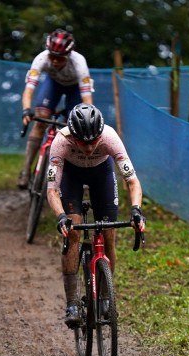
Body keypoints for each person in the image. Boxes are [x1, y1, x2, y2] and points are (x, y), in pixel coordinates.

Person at [46, 104, 145, 327]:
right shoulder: (61, 141)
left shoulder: (110, 137)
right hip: (71, 175)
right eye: (83, 141)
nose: (89, 147)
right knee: (73, 231)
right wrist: (61, 215)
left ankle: (104, 297)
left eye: (94, 140)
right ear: (73, 135)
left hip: (102, 174)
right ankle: (72, 302)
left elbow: (132, 180)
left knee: (109, 234)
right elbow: (52, 190)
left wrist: (136, 209)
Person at [17, 28, 93, 189]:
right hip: (53, 85)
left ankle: (76, 172)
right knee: (40, 120)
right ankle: (26, 171)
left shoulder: (79, 63)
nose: (55, 61)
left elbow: (87, 99)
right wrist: (26, 110)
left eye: (60, 58)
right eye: (52, 56)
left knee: (75, 126)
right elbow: (29, 90)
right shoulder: (41, 59)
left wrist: (87, 119)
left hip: (74, 89)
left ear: (69, 55)